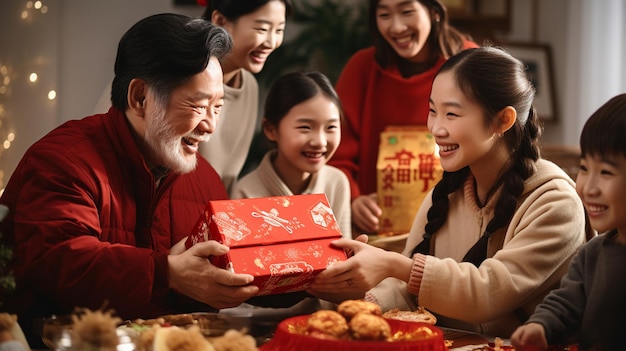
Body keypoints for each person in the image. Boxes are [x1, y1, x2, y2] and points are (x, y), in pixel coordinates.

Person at [0, 14, 260, 347]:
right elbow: (61, 260)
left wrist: (315, 276)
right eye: (198, 105)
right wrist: (168, 272)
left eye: (217, 107)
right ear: (140, 98)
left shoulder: (205, 180)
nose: (210, 126)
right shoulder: (62, 160)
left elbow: (231, 268)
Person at [311, 46, 589, 337]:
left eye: (452, 114)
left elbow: (487, 292)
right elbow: (408, 293)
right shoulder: (444, 194)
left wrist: (394, 265)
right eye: (433, 110)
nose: (436, 128)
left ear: (502, 120)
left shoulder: (555, 202)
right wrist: (351, 295)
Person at [328, 0, 478, 234]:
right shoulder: (361, 68)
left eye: (407, 11)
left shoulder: (470, 63)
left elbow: (486, 146)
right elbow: (335, 153)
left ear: (434, 11)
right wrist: (353, 200)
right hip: (376, 234)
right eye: (384, 15)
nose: (396, 27)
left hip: (456, 226)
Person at [511, 94, 626, 351]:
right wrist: (540, 327)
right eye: (585, 168)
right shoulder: (592, 255)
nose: (588, 187)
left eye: (606, 172)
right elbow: (565, 304)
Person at [231, 71, 352, 239]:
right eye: (305, 128)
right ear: (271, 129)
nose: (320, 141)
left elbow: (344, 256)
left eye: (330, 127)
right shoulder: (246, 193)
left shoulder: (336, 182)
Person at [198, 0, 293, 194]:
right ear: (220, 20)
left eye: (278, 30)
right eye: (262, 28)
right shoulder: (189, 79)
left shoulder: (249, 86)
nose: (271, 42)